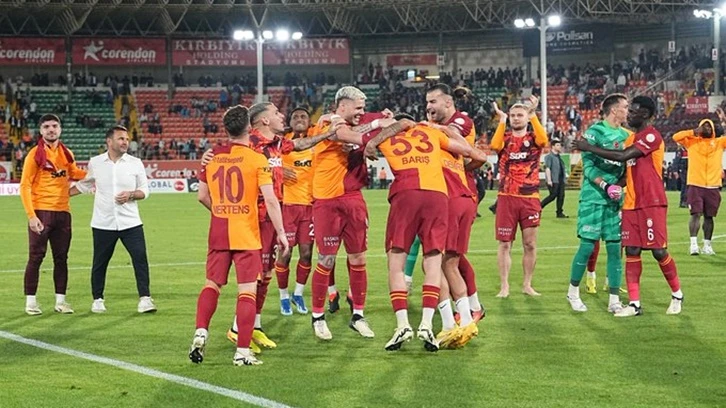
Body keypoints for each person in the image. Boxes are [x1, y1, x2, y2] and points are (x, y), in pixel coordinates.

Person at [364, 115, 489, 351]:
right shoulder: (438, 138)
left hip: (429, 196)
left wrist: (374, 136)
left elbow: (358, 135)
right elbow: (477, 155)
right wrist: (444, 131)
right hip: (457, 198)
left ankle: (439, 323)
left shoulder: (403, 139)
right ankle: (453, 320)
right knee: (447, 262)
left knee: (416, 262)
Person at [188, 105, 289, 366]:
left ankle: (201, 332)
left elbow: (201, 196)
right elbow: (271, 200)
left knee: (212, 285)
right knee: (247, 291)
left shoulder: (212, 157)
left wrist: (222, 211)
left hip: (219, 231)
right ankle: (242, 352)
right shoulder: (257, 159)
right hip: (247, 232)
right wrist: (281, 233)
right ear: (249, 128)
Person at [575, 95, 683, 317]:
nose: (629, 115)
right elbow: (629, 172)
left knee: (658, 251)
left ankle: (677, 294)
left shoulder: (651, 136)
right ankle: (634, 304)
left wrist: (589, 147)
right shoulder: (630, 138)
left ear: (645, 114)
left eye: (633, 111)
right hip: (631, 203)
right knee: (632, 250)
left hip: (651, 202)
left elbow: (623, 156)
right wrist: (613, 186)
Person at [307, 86, 394, 340]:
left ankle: (358, 315)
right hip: (327, 202)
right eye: (357, 108)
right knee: (326, 259)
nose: (361, 112)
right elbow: (345, 134)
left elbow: (391, 121)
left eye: (363, 108)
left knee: (358, 258)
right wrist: (376, 126)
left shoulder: (358, 120)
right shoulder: (327, 123)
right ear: (342, 106)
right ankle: (318, 317)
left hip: (353, 199)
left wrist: (385, 119)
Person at [421, 84, 484, 341]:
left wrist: (425, 127)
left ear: (448, 103)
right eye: (427, 102)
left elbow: (461, 142)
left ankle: (455, 318)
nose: (428, 107)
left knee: (437, 261)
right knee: (453, 259)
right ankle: (471, 311)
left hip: (454, 196)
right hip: (452, 195)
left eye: (433, 101)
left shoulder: (460, 121)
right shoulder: (439, 129)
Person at [72, 125, 156, 314]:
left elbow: (145, 190)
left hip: (131, 222)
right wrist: (61, 196)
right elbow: (85, 185)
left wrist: (131, 194)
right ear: (109, 141)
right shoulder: (96, 163)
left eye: (126, 139)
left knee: (140, 259)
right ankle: (98, 299)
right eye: (121, 138)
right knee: (100, 263)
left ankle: (145, 299)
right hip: (103, 223)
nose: (125, 142)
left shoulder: (135, 163)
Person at [565, 93, 630, 313]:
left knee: (614, 248)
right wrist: (605, 185)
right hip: (593, 198)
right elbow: (589, 166)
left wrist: (618, 186)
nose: (627, 111)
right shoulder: (594, 133)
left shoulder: (626, 136)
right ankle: (573, 293)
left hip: (614, 201)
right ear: (614, 110)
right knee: (586, 246)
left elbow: (627, 169)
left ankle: (614, 300)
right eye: (625, 107)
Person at [20, 113, 86, 315]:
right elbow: (25, 186)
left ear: (60, 129)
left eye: (54, 126)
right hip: (41, 212)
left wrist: (97, 174)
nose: (51, 129)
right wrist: (31, 216)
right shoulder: (34, 154)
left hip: (63, 213)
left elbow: (75, 173)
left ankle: (61, 302)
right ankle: (31, 302)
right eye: (47, 126)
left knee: (61, 258)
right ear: (41, 131)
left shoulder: (66, 153)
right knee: (36, 257)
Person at [489, 96, 547, 298]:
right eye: (512, 115)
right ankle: (504, 286)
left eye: (519, 115)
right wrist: (502, 119)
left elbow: (544, 140)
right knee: (505, 244)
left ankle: (527, 284)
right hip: (506, 197)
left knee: (530, 244)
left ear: (526, 117)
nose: (515, 118)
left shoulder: (534, 139)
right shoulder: (504, 138)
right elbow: (494, 146)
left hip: (530, 197)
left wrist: (533, 115)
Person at [275, 107, 315, 315]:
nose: (299, 119)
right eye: (295, 116)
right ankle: (283, 296)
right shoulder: (282, 144)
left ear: (309, 121)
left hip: (310, 207)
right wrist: (277, 170)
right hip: (287, 206)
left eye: (303, 116)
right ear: (290, 122)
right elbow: (263, 162)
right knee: (285, 252)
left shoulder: (317, 144)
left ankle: (298, 294)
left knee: (307, 254)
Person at [673, 114, 726, 255]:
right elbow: (676, 137)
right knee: (695, 214)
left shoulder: (719, 142)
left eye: (709, 126)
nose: (707, 128)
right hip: (696, 184)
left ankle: (707, 245)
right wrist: (693, 132)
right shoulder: (691, 141)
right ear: (699, 128)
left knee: (709, 216)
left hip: (713, 185)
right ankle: (693, 245)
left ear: (713, 129)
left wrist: (724, 121)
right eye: (704, 126)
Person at [540, 139, 568, 218]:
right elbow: (547, 168)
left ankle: (559, 213)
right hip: (553, 180)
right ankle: (539, 207)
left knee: (561, 196)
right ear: (553, 146)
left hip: (560, 180)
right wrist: (549, 180)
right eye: (558, 145)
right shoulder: (549, 157)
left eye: (560, 145)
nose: (560, 147)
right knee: (553, 196)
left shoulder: (559, 157)